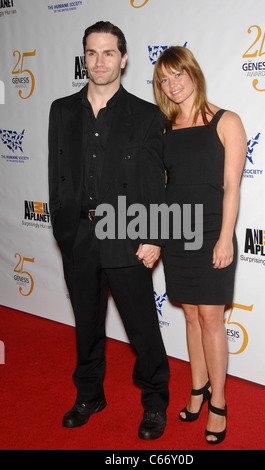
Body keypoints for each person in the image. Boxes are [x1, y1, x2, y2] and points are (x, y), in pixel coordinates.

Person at [48, 21, 169, 440]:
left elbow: (155, 182)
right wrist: (62, 228)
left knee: (141, 327)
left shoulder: (147, 115)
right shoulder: (62, 110)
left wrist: (153, 236)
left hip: (128, 234)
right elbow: (57, 174)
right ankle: (89, 395)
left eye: (108, 53)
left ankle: (155, 400)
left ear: (124, 57)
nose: (99, 62)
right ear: (85, 57)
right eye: (92, 53)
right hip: (78, 236)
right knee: (86, 324)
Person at [153, 46, 246, 444]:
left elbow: (232, 188)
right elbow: (162, 186)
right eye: (164, 80)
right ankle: (197, 387)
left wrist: (225, 238)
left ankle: (219, 402)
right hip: (177, 232)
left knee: (211, 318)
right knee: (190, 316)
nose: (172, 85)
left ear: (193, 74)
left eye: (178, 75)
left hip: (212, 232)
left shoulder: (227, 121)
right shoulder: (164, 128)